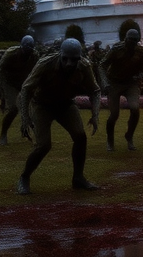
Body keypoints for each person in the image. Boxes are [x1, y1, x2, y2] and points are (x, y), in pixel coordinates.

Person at [17, 38, 100, 195]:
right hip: (42, 105)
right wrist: (25, 117)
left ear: (79, 58)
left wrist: (95, 115)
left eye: (74, 59)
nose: (69, 64)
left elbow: (95, 91)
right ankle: (24, 177)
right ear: (60, 55)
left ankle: (78, 178)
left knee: (80, 136)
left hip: (65, 104)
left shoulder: (84, 66)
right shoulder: (45, 63)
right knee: (43, 145)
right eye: (65, 59)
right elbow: (26, 89)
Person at [100, 28, 143, 151]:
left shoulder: (141, 51)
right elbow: (102, 65)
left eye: (135, 40)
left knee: (135, 108)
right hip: (115, 83)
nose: (132, 42)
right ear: (125, 39)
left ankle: (129, 136)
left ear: (138, 41)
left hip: (131, 83)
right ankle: (110, 140)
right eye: (130, 39)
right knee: (114, 114)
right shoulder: (116, 49)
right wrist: (105, 83)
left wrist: (142, 75)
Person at [0, 35, 37, 145]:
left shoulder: (34, 55)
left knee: (31, 109)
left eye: (30, 51)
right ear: (21, 48)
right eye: (25, 50)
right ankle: (3, 133)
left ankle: (33, 134)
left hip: (23, 82)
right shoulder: (11, 53)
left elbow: (36, 70)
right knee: (13, 109)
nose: (27, 53)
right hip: (9, 82)